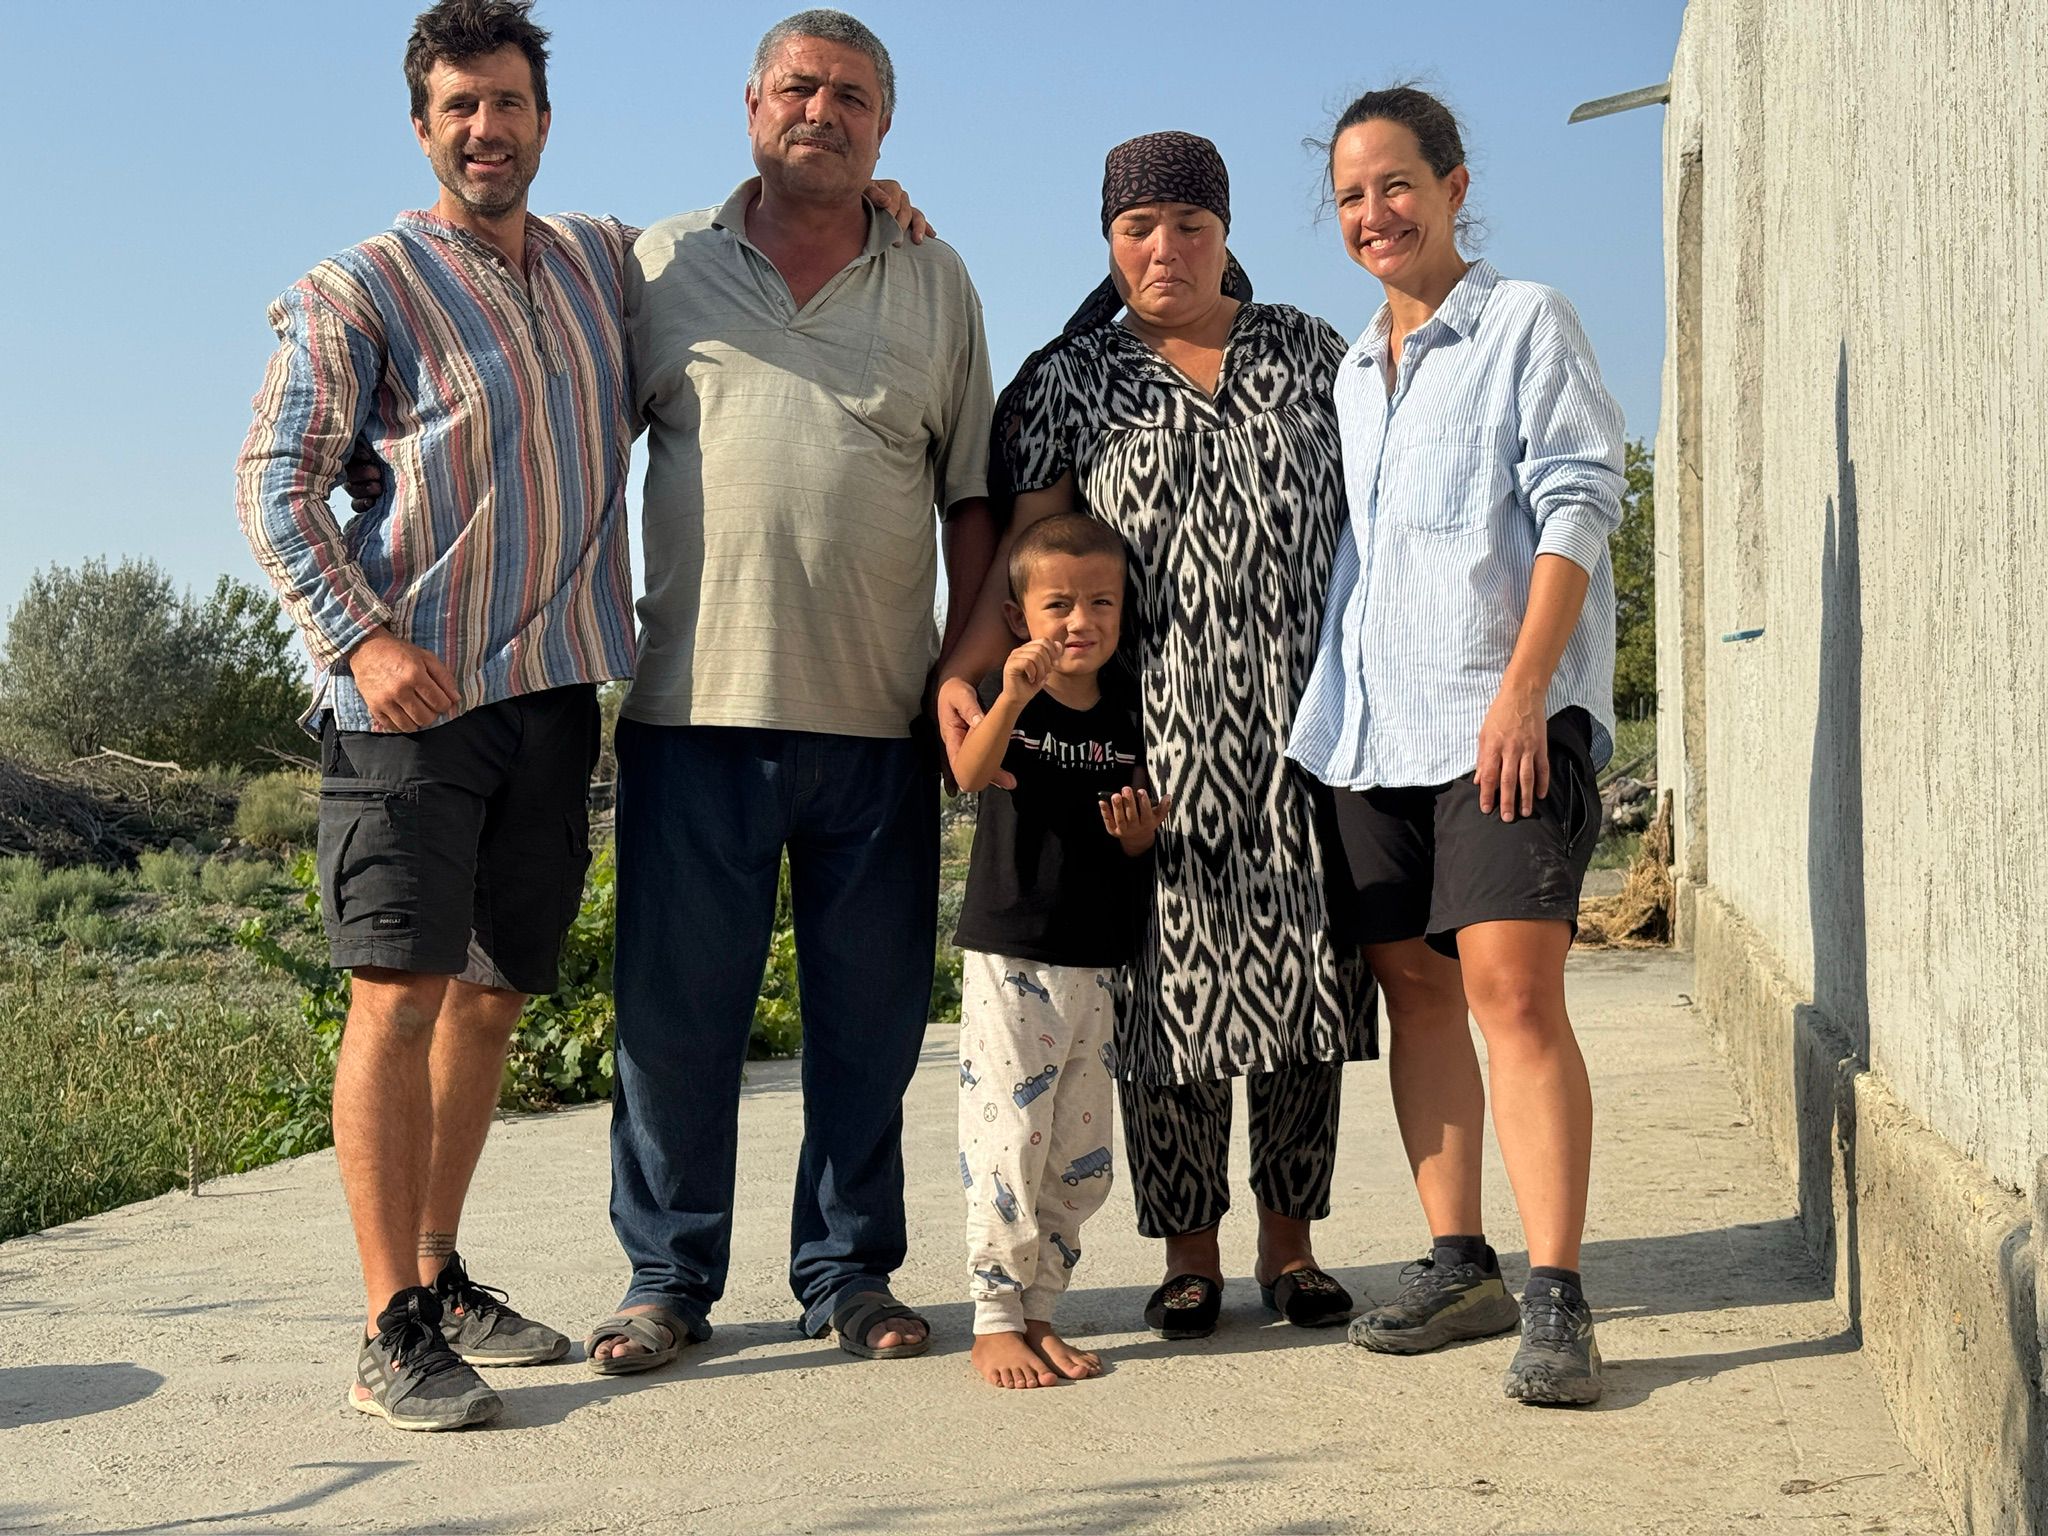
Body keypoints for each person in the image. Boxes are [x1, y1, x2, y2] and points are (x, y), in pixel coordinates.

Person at [234, 0, 632, 1430]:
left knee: (493, 994)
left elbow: (749, 234)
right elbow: (273, 481)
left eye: (508, 102)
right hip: (410, 701)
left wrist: (875, 199)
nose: (486, 128)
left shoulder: (599, 263)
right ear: (422, 129)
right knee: (397, 995)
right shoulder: (364, 286)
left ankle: (439, 1271)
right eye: (459, 106)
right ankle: (386, 1330)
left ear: (544, 119)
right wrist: (363, 637)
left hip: (554, 693)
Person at [587, 9, 997, 1373]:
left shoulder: (936, 279)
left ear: (886, 127)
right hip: (690, 712)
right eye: (799, 88)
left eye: (852, 96)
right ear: (752, 105)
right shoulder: (658, 264)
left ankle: (847, 1272)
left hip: (879, 723)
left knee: (868, 1028)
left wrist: (960, 662)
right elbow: (563, 425)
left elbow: (971, 498)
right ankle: (665, 1279)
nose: (822, 111)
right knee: (673, 1025)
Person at [939, 132, 1376, 1343]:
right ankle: (1189, 1255)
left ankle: (1290, 1246)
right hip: (1152, 741)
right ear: (1109, 241)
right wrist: (959, 673)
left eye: (1189, 224)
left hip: (1305, 731)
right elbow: (1026, 564)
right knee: (1166, 995)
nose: (1164, 247)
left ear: (1225, 234)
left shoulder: (1306, 352)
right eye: (1138, 227)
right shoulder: (1069, 381)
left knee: (1302, 985)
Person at [1287, 86, 1626, 1406]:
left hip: (1502, 720)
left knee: (1513, 996)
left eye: (1396, 185)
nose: (1374, 213)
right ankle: (1459, 1263)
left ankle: (1558, 1298)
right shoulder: (1351, 370)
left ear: (1453, 186)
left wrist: (1526, 689)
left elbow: (1578, 498)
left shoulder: (1524, 321)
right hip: (1376, 730)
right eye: (1351, 195)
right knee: (1416, 992)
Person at [948, 512, 1166, 1389]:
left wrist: (1140, 834)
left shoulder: (1130, 709)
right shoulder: (1015, 699)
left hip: (1094, 956)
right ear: (1019, 617)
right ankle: (994, 1319)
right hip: (1013, 954)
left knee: (1080, 1152)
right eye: (1059, 605)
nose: (1081, 622)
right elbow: (969, 775)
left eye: (1101, 602)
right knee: (1010, 1136)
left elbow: (1136, 840)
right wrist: (1008, 696)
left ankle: (1041, 1311)